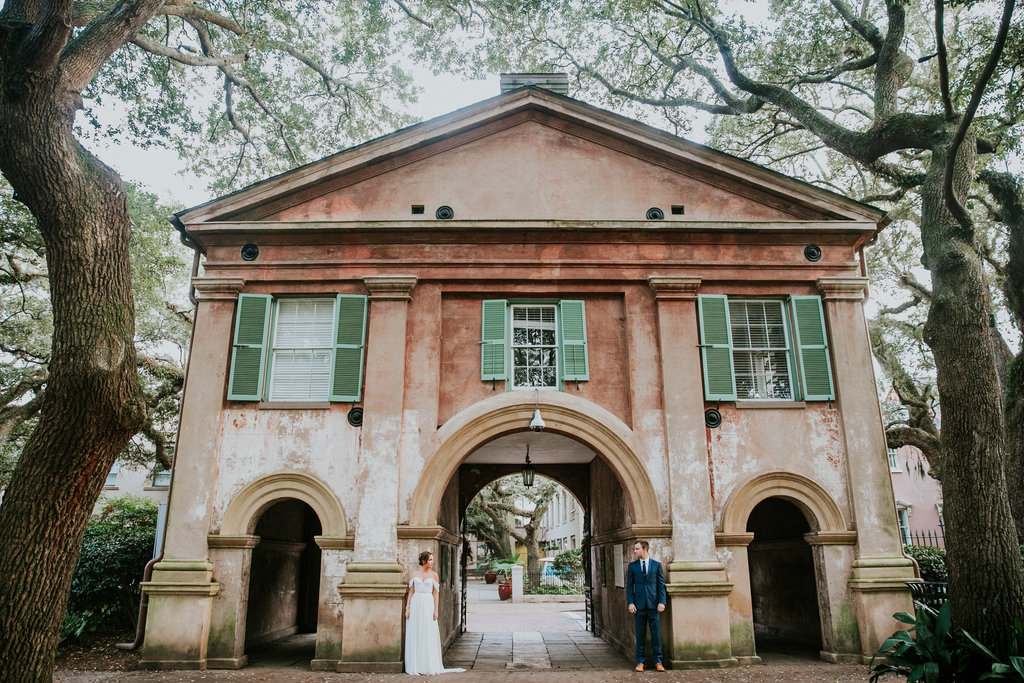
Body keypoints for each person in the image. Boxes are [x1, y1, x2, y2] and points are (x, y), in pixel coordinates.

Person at [404, 550, 464, 675]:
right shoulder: (413, 574)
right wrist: (407, 608)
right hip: (416, 604)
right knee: (416, 631)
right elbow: (411, 592)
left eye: (432, 560)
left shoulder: (434, 575)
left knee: (427, 631)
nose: (432, 562)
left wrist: (435, 610)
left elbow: (435, 594)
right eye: (430, 560)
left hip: (427, 603)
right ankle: (416, 664)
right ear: (423, 561)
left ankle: (427, 664)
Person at [626, 539, 666, 672]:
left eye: (637, 549)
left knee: (656, 635)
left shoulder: (656, 565)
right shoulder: (632, 566)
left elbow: (661, 585)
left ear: (645, 550)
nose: (634, 551)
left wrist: (662, 602)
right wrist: (630, 602)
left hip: (654, 605)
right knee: (640, 635)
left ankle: (658, 661)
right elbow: (629, 586)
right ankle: (640, 662)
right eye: (634, 549)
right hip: (639, 606)